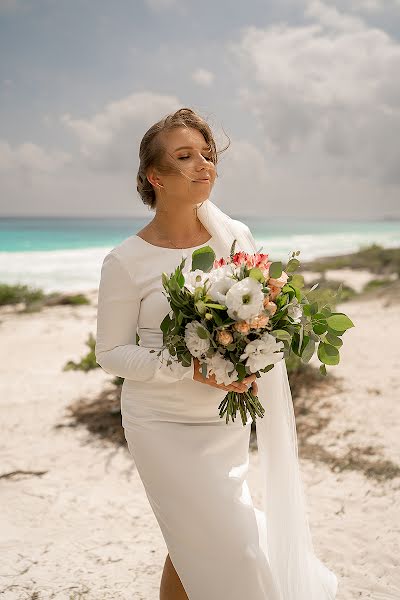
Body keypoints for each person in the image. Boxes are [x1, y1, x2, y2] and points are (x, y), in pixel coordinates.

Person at [95, 107, 338, 599]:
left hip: (223, 420)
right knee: (231, 546)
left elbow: (259, 318)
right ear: (154, 176)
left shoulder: (235, 239)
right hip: (161, 424)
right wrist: (184, 364)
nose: (203, 164)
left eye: (207, 154)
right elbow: (111, 353)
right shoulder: (126, 261)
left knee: (194, 543)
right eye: (184, 156)